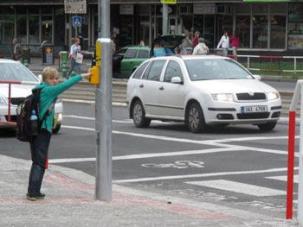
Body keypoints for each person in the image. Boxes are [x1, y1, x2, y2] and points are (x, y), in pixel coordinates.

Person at [26, 67, 91, 201]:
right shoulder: (48, 91)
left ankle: (33, 190)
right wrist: (83, 75)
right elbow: (65, 85)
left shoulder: (39, 89)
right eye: (52, 78)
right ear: (46, 79)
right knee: (39, 162)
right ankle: (33, 192)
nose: (55, 81)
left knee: (37, 161)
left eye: (56, 78)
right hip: (43, 130)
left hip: (35, 130)